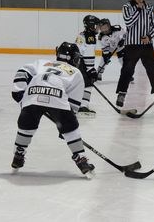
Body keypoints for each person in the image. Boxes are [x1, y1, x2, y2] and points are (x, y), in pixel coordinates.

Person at [10, 42, 95, 178]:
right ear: (75, 58)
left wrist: (19, 92)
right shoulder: (76, 72)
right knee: (71, 129)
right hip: (57, 95)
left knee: (26, 126)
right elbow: (72, 105)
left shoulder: (43, 63)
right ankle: (81, 159)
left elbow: (22, 71)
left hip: (33, 93)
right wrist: (65, 127)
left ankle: (18, 154)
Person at [116, 0, 154, 108]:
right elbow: (129, 22)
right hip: (132, 44)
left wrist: (149, 36)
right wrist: (138, 9)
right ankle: (121, 93)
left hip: (147, 44)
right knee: (127, 69)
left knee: (152, 69)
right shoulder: (127, 7)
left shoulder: (150, 8)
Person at [75, 15, 100, 115]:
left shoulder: (84, 34)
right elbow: (88, 53)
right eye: (96, 25)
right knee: (88, 84)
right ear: (91, 26)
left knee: (81, 84)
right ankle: (83, 106)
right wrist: (90, 69)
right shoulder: (90, 37)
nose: (98, 28)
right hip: (82, 64)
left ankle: (77, 104)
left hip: (77, 62)